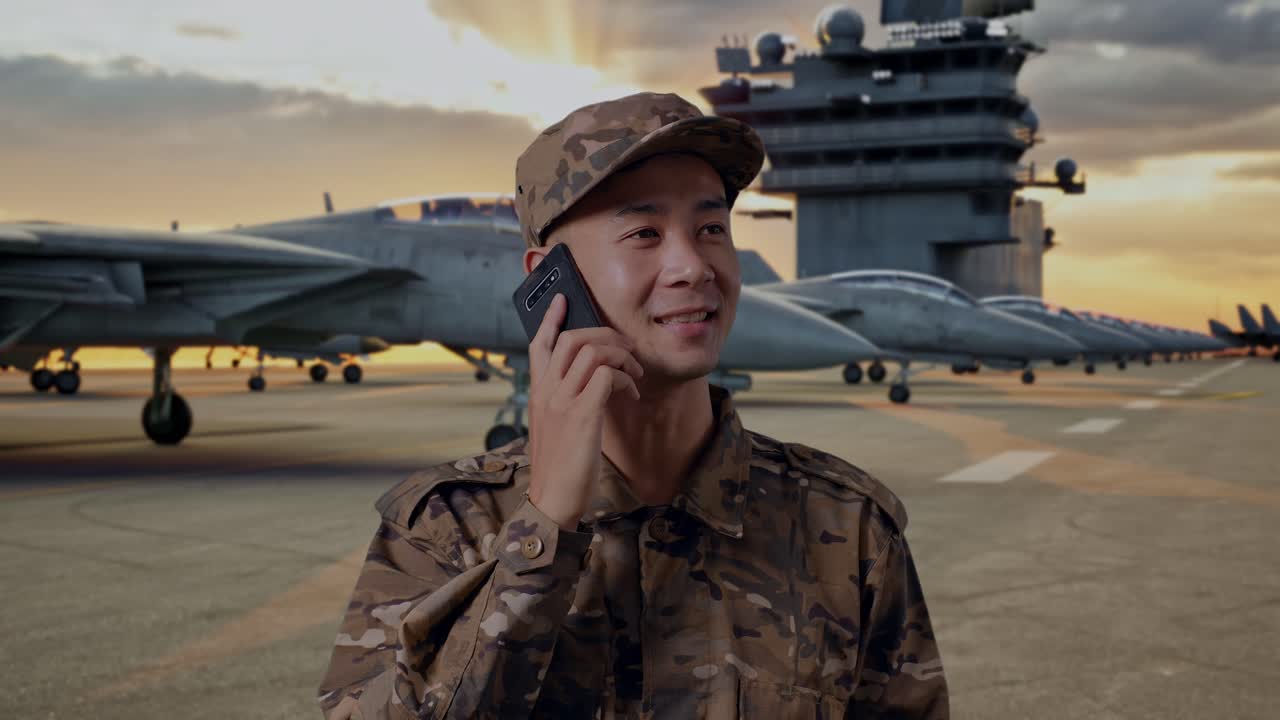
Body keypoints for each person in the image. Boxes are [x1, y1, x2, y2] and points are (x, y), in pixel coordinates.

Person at [317, 92, 948, 719]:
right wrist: (544, 530)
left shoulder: (847, 527)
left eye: (711, 229)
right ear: (549, 278)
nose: (692, 266)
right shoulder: (444, 530)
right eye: (644, 232)